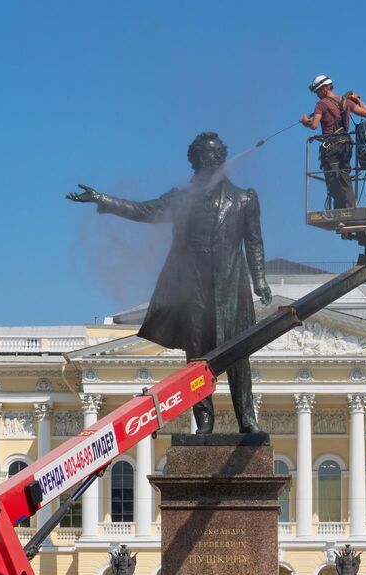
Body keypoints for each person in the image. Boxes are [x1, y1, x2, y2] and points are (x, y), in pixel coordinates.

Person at [67, 132, 272, 434]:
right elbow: (144, 211)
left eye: (218, 154)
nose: (213, 158)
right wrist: (103, 199)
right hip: (193, 286)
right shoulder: (181, 200)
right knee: (197, 357)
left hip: (231, 285)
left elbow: (254, 243)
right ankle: (204, 422)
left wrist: (260, 281)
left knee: (238, 353)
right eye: (207, 154)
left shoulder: (244, 199)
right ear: (196, 160)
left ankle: (247, 419)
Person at [300, 74, 366, 210]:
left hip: (331, 148)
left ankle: (345, 212)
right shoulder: (346, 102)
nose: (317, 95)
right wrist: (357, 99)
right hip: (346, 147)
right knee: (345, 178)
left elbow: (314, 125)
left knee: (334, 181)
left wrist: (305, 122)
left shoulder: (320, 105)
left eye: (318, 92)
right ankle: (349, 209)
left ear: (325, 89)